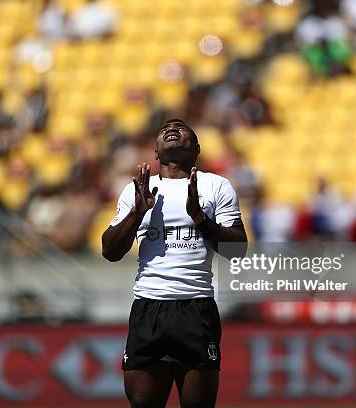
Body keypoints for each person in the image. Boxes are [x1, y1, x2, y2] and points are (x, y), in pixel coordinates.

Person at [102, 119, 247, 408]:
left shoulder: (215, 186)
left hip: (196, 307)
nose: (172, 129)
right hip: (149, 306)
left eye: (181, 128)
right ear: (155, 152)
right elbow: (110, 251)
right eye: (165, 129)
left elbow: (236, 250)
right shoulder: (139, 190)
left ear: (196, 149)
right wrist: (137, 213)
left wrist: (200, 218)